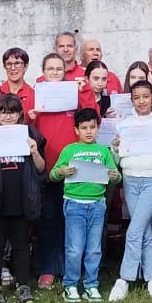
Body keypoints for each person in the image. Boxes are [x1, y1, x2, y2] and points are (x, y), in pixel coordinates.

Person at [31, 54, 100, 290]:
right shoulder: (37, 94)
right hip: (49, 169)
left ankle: (72, 268)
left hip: (75, 169)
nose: (54, 72)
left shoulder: (74, 92)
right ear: (43, 71)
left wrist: (85, 92)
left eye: (58, 68)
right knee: (49, 220)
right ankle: (48, 269)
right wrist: (30, 116)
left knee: (74, 221)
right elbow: (24, 131)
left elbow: (92, 118)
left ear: (65, 71)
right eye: (49, 68)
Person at [0, 94, 48, 303]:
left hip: (22, 199)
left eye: (12, 112)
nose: (8, 116)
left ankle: (23, 284)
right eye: (3, 112)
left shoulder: (30, 135)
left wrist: (34, 151)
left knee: (21, 245)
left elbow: (42, 168)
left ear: (19, 114)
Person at [111, 80, 152, 300]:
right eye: (137, 97)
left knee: (135, 228)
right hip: (130, 180)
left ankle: (124, 278)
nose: (141, 101)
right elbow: (117, 159)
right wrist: (116, 146)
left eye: (145, 97)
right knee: (145, 228)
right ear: (132, 100)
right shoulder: (123, 124)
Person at [51, 107, 120, 303]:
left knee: (94, 248)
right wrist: (63, 171)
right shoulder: (70, 150)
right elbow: (53, 174)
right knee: (74, 248)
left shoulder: (103, 151)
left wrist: (115, 176)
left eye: (92, 127)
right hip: (74, 204)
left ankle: (91, 284)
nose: (89, 131)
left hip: (97, 204)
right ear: (76, 130)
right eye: (84, 128)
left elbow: (114, 175)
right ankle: (70, 284)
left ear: (98, 128)